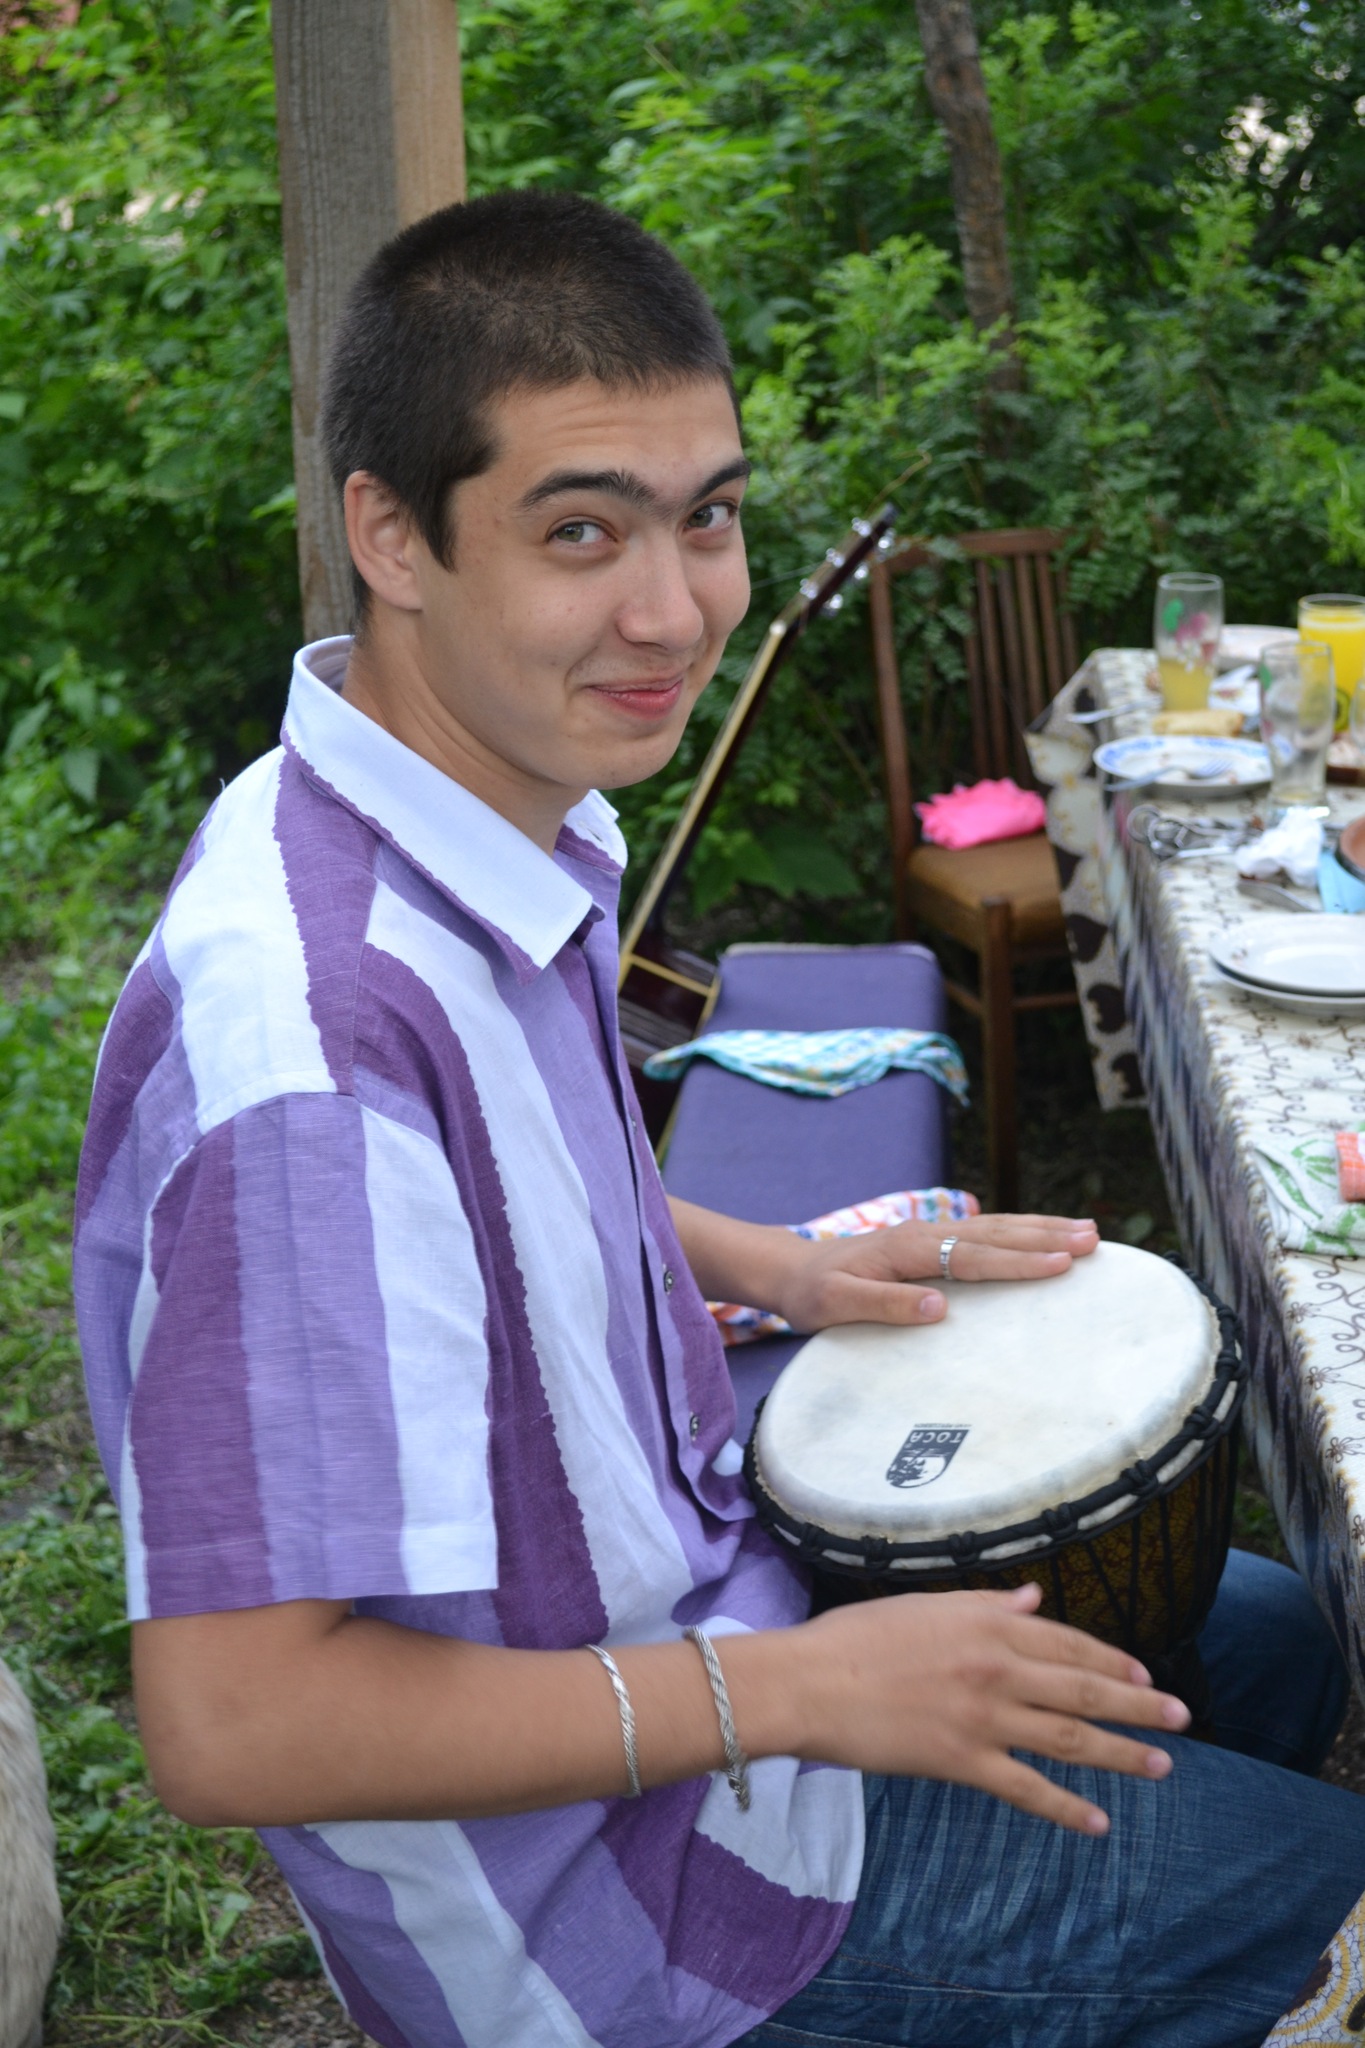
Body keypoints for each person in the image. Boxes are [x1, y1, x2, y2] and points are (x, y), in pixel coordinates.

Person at [74, 190, 1362, 2048]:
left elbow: (490, 1184)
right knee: (1331, 1888)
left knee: (1275, 1646)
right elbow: (237, 1723)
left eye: (709, 516)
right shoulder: (314, 1052)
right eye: (579, 530)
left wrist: (782, 1264)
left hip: (697, 1609)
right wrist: (801, 1695)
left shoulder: (452, 809)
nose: (672, 611)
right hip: (611, 1901)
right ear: (390, 532)